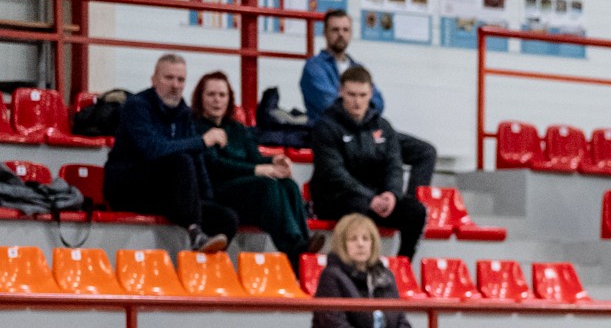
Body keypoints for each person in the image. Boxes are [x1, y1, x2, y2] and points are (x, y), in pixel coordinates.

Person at [103, 53, 236, 253]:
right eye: (169, 78)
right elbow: (153, 150)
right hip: (128, 187)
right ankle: (194, 231)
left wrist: (208, 200)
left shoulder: (184, 112)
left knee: (226, 218)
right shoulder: (136, 106)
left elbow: (197, 161)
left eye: (181, 80)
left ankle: (203, 268)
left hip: (164, 193)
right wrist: (202, 141)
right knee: (180, 161)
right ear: (154, 80)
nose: (175, 85)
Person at [300, 9, 436, 200]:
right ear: (325, 32)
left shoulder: (357, 67)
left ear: (351, 32)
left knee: (425, 152)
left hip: (366, 130)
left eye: (345, 29)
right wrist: (363, 105)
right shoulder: (314, 67)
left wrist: (361, 109)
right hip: (333, 135)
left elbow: (379, 102)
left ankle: (409, 204)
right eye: (335, 29)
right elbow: (329, 105)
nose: (341, 34)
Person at [191, 71, 310, 267]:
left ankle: (304, 243)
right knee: (268, 186)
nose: (217, 100)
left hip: (248, 186)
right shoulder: (197, 129)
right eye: (211, 94)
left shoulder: (237, 128)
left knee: (288, 184)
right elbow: (216, 166)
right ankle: (293, 250)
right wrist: (260, 170)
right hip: (220, 191)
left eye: (222, 95)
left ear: (229, 99)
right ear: (200, 98)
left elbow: (255, 158)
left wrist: (275, 160)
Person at [309, 65, 428, 259]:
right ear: (341, 91)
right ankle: (358, 268)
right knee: (357, 209)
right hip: (337, 198)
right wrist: (369, 198)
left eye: (362, 95)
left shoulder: (383, 126)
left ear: (371, 93)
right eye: (352, 95)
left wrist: (391, 194)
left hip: (375, 197)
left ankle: (402, 265)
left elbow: (394, 165)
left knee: (415, 211)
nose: (357, 102)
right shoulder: (325, 126)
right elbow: (333, 172)